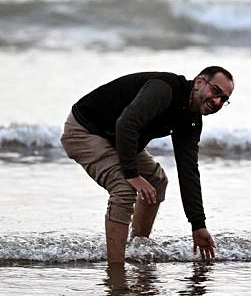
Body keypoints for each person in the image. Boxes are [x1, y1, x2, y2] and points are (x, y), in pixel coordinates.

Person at [60, 67, 234, 264]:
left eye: (224, 99)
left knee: (156, 180)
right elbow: (127, 123)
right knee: (124, 188)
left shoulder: (191, 120)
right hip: (85, 130)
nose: (217, 101)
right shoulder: (165, 89)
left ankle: (136, 249)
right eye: (216, 91)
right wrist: (132, 175)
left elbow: (189, 172)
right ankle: (116, 269)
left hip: (119, 138)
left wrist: (198, 225)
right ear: (199, 82)